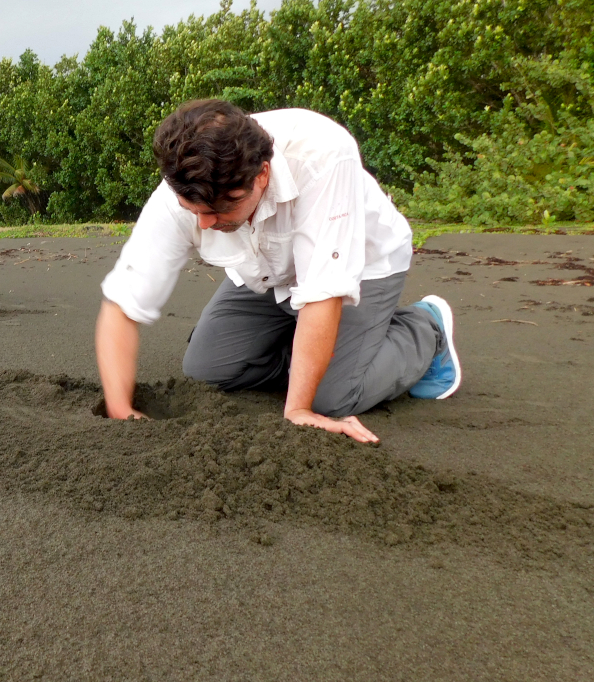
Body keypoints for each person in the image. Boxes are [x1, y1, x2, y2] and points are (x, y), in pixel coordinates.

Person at [96, 100, 461, 444]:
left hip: (362, 266)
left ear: (262, 174)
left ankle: (426, 329)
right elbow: (123, 303)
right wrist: (121, 409)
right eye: (193, 210)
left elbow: (324, 290)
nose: (205, 223)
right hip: (267, 273)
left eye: (223, 207)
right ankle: (317, 345)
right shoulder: (184, 185)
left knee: (330, 399)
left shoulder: (324, 155)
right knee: (206, 370)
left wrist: (299, 409)